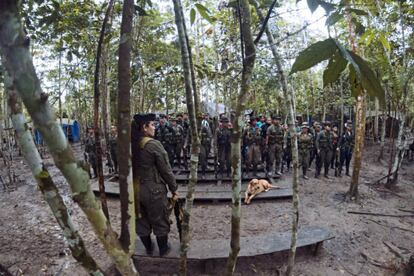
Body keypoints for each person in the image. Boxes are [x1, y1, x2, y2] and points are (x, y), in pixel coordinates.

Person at [131, 113, 178, 257]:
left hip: (135, 190)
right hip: (154, 191)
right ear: (144, 128)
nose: (154, 127)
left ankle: (149, 248)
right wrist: (174, 188)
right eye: (152, 125)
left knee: (141, 221)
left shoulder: (129, 144)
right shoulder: (153, 145)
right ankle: (163, 250)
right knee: (160, 220)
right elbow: (166, 170)